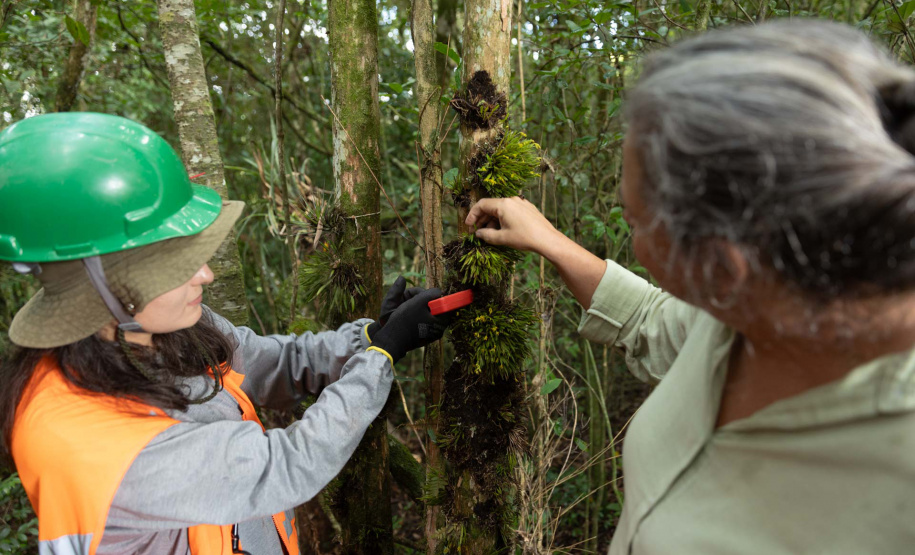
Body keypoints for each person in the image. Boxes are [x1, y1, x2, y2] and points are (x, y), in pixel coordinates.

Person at [466, 20, 915, 554]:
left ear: (724, 270)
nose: (627, 226)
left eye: (634, 221)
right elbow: (656, 323)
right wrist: (554, 245)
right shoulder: (760, 305)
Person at [0, 112, 452, 555]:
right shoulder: (87, 442)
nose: (205, 274)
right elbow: (285, 464)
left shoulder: (158, 325)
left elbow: (267, 362)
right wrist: (381, 357)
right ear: (98, 284)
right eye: (176, 265)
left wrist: (371, 337)